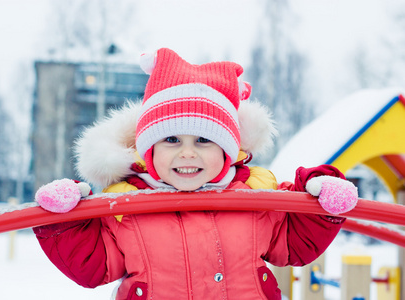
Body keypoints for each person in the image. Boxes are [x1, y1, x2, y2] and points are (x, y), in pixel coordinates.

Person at [33, 48, 358, 300]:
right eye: (171, 140)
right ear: (149, 152)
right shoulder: (125, 203)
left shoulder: (256, 191)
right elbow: (93, 266)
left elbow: (295, 242)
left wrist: (321, 190)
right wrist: (63, 221)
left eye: (204, 140)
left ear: (227, 152)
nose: (187, 153)